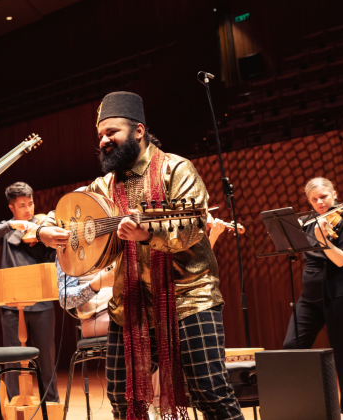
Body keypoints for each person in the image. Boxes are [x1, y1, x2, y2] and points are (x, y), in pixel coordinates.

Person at [35, 91, 242, 420]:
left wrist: (149, 234)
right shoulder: (104, 185)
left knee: (210, 390)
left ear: (139, 131)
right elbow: (57, 214)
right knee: (122, 396)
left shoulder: (176, 170)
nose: (104, 140)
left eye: (112, 132)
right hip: (132, 302)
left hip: (188, 296)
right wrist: (44, 231)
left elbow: (193, 225)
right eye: (101, 135)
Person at [283, 177, 343, 420]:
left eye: (324, 197)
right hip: (309, 296)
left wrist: (322, 239)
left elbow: (341, 259)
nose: (320, 203)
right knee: (291, 348)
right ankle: (305, 403)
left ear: (334, 194)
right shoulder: (308, 222)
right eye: (314, 199)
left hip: (341, 293)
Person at [0, 182, 59, 403]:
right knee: (12, 358)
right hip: (11, 305)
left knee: (46, 358)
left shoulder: (42, 227)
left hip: (42, 302)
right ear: (12, 209)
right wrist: (10, 226)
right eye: (22, 205)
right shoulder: (8, 231)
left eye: (30, 203)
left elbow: (54, 256)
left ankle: (50, 404)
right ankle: (15, 403)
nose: (28, 210)